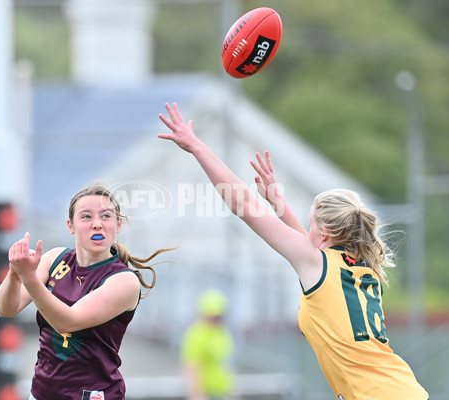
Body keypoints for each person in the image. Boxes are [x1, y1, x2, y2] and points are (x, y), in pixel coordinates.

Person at [158, 103, 429, 400]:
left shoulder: (317, 263)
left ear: (324, 233)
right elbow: (306, 243)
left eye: (310, 221)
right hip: (403, 389)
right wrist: (278, 202)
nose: (305, 228)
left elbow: (244, 206)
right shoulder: (359, 268)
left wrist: (197, 147)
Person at [0, 182, 175, 400]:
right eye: (87, 217)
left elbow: (68, 322)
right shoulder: (56, 259)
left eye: (106, 216)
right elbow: (6, 308)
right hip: (41, 393)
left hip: (92, 395)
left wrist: (28, 277)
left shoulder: (124, 281)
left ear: (118, 225)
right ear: (71, 225)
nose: (97, 224)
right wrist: (15, 273)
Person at [181, 289, 235, 400]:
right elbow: (192, 367)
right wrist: (196, 395)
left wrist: (232, 393)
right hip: (206, 393)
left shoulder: (222, 333)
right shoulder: (196, 334)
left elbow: (226, 364)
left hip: (222, 392)